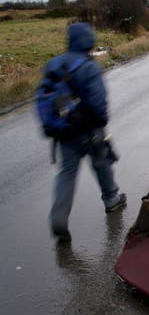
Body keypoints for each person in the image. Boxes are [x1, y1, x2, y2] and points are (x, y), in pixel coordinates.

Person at [48, 22, 126, 242]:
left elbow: (46, 98)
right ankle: (111, 200)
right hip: (90, 130)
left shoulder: (54, 64)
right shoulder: (89, 66)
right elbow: (98, 102)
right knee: (102, 164)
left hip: (64, 133)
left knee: (66, 174)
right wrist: (100, 125)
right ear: (88, 41)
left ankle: (58, 217)